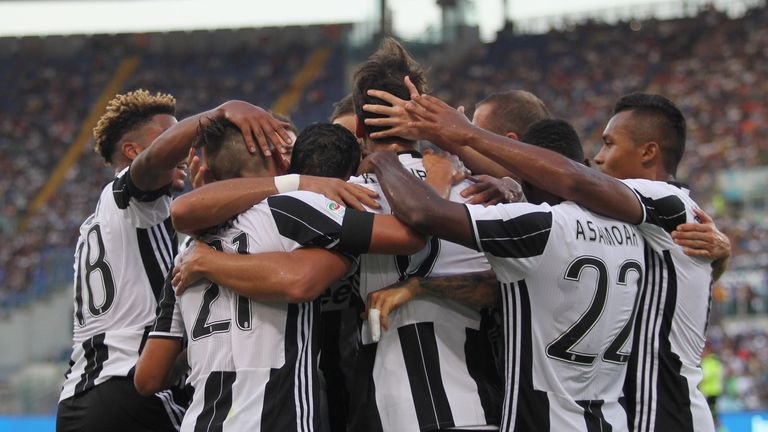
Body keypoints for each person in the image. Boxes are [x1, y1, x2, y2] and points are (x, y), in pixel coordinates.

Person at [365, 88, 731, 431]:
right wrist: (497, 173)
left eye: (609, 143)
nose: (600, 158)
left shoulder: (664, 203)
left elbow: (573, 180)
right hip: (626, 413)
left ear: (649, 152)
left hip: (665, 415)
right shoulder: (632, 223)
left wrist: (462, 135)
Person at [135, 119, 436, 431]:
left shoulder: (185, 253)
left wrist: (206, 349)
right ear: (278, 158)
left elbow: (148, 378)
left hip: (201, 421)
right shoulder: (293, 208)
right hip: (274, 419)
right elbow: (410, 235)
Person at [367, 118, 645, 431]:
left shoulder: (540, 225)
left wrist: (382, 158)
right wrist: (422, 286)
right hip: (613, 417)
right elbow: (503, 288)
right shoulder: (632, 232)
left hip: (547, 420)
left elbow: (422, 212)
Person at [56, 90, 292, 432]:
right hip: (130, 390)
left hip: (79, 400)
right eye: (171, 137)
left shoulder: (102, 223)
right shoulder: (132, 198)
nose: (186, 150)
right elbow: (153, 163)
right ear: (133, 151)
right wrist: (222, 112)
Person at [348, 37, 504, 432]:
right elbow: (502, 289)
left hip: (402, 405)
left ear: (361, 125)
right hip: (483, 401)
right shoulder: (477, 189)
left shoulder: (346, 194)